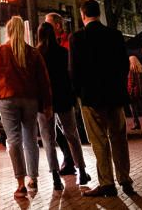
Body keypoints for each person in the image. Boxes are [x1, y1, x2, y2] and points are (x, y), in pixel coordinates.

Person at [70, 0, 133, 197]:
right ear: (99, 14)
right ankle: (125, 180)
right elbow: (124, 65)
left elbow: (74, 70)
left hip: (91, 96)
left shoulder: (78, 38)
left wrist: (79, 93)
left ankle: (107, 182)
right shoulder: (114, 35)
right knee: (119, 138)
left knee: (99, 140)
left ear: (83, 15)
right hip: (114, 94)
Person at [0, 15, 52, 200]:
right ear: (22, 32)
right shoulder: (33, 53)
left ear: (8, 31)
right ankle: (33, 177)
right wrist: (47, 104)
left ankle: (20, 183)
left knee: (13, 139)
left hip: (7, 99)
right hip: (30, 99)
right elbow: (44, 81)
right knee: (30, 138)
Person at [36, 21, 88, 191]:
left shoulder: (37, 54)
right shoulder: (63, 52)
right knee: (72, 135)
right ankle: (81, 170)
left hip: (44, 102)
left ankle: (55, 176)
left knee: (48, 138)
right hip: (64, 98)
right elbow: (70, 75)